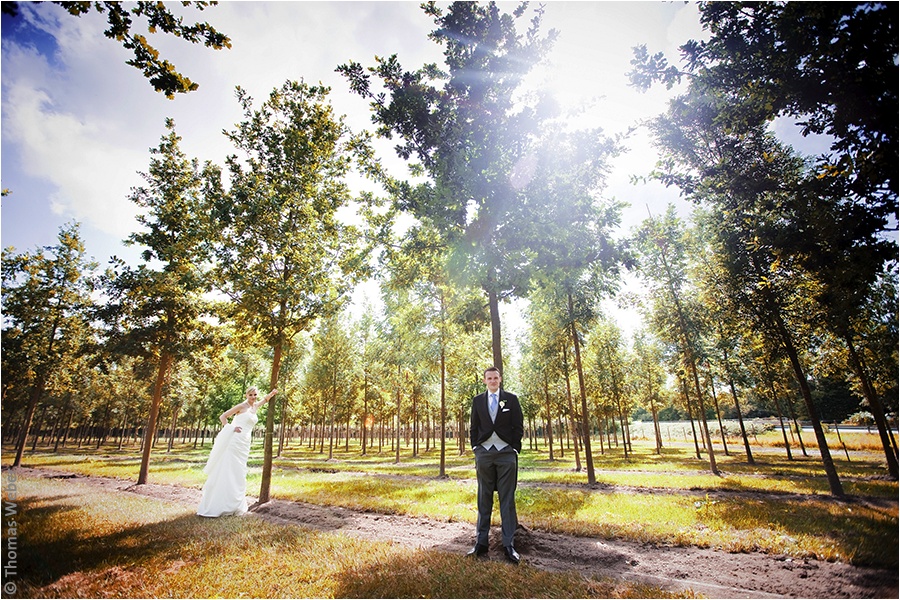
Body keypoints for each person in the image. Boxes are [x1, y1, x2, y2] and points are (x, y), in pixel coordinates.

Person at [467, 366, 524, 564]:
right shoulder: (477, 401)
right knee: (484, 498)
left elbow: (518, 426)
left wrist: (514, 448)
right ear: (484, 381)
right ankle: (480, 543)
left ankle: (508, 545)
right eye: (489, 378)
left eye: (495, 378)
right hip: (484, 453)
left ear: (500, 379)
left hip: (506, 454)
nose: (492, 381)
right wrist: (476, 447)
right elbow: (474, 426)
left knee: (507, 500)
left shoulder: (511, 399)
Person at [197, 386, 277, 517]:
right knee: (229, 469)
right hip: (235, 441)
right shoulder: (241, 406)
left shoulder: (254, 407)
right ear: (246, 395)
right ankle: (220, 504)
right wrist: (231, 428)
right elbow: (223, 416)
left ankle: (235, 504)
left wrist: (272, 394)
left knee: (239, 471)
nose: (253, 397)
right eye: (250, 395)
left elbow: (265, 400)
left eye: (255, 394)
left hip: (245, 443)